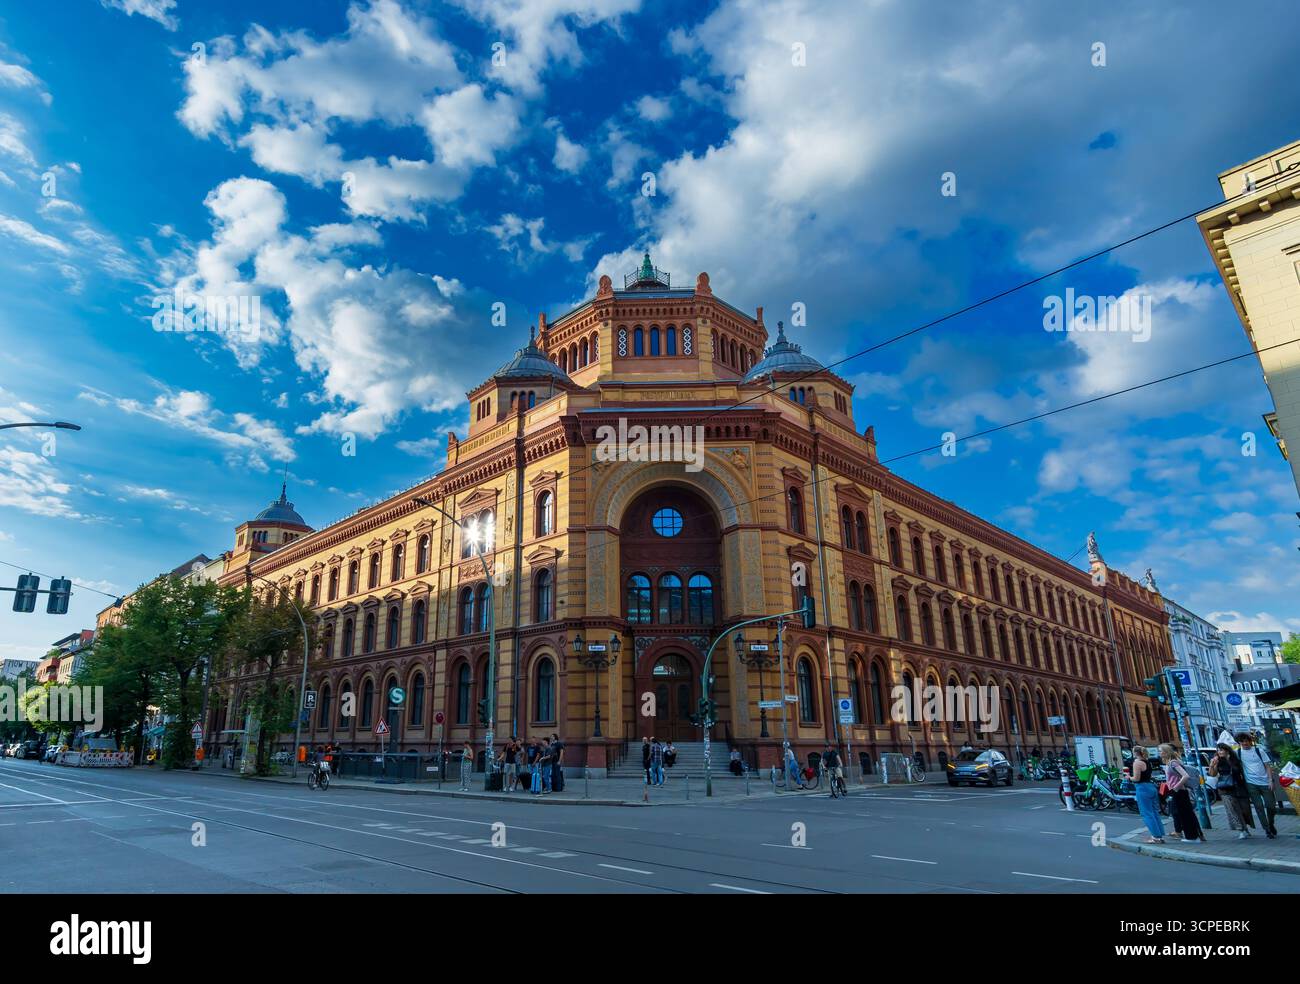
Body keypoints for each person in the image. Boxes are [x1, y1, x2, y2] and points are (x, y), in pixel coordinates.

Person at [1236, 732, 1278, 839]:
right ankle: (1267, 829)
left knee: (1271, 806)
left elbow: (1267, 766)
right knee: (1259, 807)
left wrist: (1270, 780)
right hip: (1250, 783)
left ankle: (1271, 823)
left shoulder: (1259, 751)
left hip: (1265, 782)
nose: (1245, 743)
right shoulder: (1238, 753)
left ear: (1250, 741)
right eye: (1242, 741)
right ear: (1239, 742)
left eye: (1246, 741)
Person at [1158, 743, 1203, 842]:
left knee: (1185, 814)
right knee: (1184, 813)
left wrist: (1175, 787)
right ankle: (1194, 835)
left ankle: (1192, 837)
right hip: (1178, 791)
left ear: (1166, 752)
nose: (1159, 753)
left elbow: (1185, 776)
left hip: (1179, 792)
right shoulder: (1170, 763)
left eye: (1161, 751)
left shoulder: (1173, 763)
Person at [1209, 742, 1254, 839]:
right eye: (1218, 750)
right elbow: (1212, 774)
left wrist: (1229, 760)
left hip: (1239, 787)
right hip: (1225, 788)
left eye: (1221, 750)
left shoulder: (1234, 759)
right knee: (1232, 809)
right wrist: (1212, 765)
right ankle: (1240, 830)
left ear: (1226, 750)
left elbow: (1239, 771)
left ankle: (1245, 827)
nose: (1219, 752)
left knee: (1244, 809)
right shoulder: (1217, 761)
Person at [1130, 745, 1164, 843]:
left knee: (1147, 813)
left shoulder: (1137, 763)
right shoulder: (1147, 762)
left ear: (1135, 753)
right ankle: (1160, 835)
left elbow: (1136, 779)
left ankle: (1155, 837)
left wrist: (1129, 777)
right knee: (1154, 812)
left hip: (1142, 788)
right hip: (1151, 787)